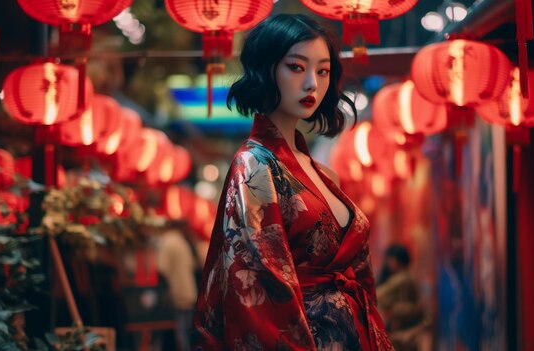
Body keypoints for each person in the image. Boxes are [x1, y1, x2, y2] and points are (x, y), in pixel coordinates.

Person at [193, 14, 394, 350]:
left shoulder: (324, 174)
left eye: (323, 70)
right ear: (267, 69)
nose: (312, 84)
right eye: (297, 67)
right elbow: (259, 286)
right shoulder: (254, 165)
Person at [156, 220, 200, 351]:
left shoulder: (167, 241)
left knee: (180, 331)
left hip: (177, 294)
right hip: (188, 292)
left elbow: (162, 268)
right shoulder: (181, 241)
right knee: (187, 332)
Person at [376, 244, 426, 351]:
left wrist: (394, 309)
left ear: (397, 260)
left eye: (390, 259)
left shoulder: (401, 279)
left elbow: (379, 295)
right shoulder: (411, 276)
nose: (388, 263)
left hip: (402, 334)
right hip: (408, 334)